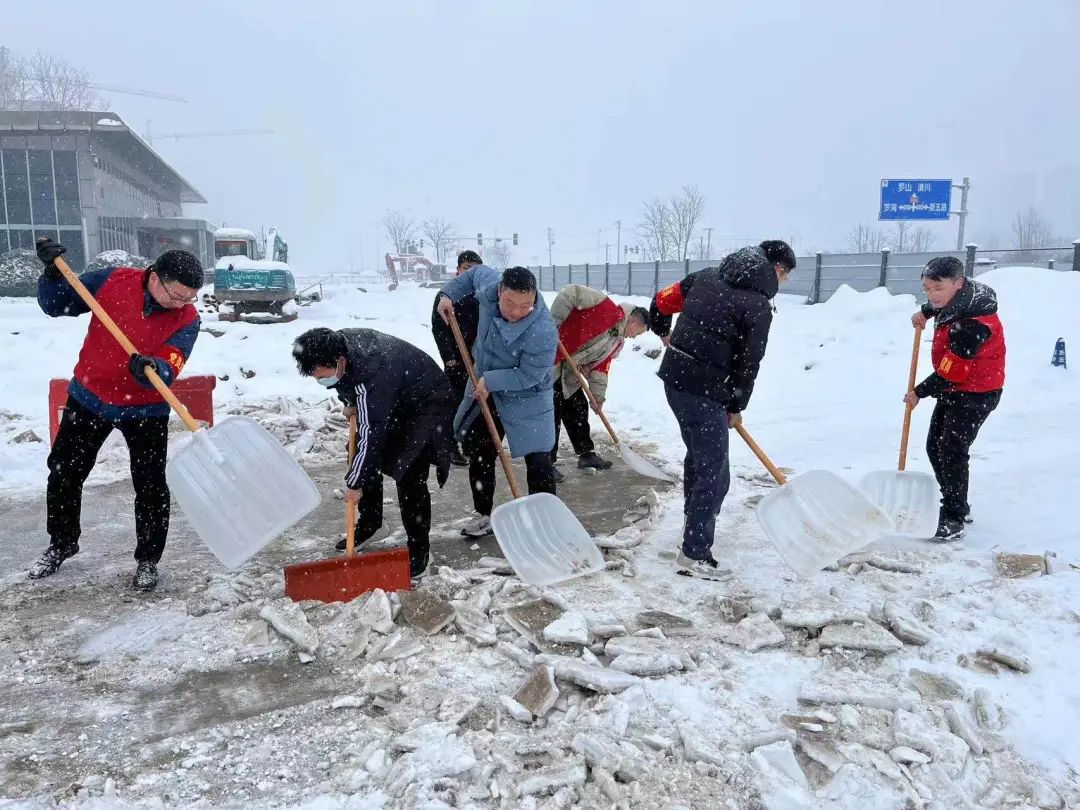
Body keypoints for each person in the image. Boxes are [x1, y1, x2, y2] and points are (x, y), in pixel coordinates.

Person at [29, 238, 203, 591]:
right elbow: (55, 304)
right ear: (154, 276)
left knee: (151, 485)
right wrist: (51, 273)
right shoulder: (112, 280)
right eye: (176, 294)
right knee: (64, 471)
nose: (181, 303)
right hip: (90, 396)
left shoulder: (187, 318)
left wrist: (153, 367)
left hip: (145, 408)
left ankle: (148, 560)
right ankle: (62, 542)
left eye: (189, 297)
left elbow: (174, 361)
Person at [651, 240, 795, 580]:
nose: (784, 281)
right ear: (777, 269)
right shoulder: (758, 305)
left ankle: (692, 531)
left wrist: (663, 331)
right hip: (704, 391)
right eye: (786, 275)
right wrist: (735, 405)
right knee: (715, 472)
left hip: (675, 380)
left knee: (701, 459)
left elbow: (661, 301)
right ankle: (695, 552)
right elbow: (749, 363)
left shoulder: (705, 276)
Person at [292, 328, 455, 579]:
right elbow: (349, 385)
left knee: (409, 471)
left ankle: (419, 549)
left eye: (323, 376)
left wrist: (355, 483)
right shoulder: (339, 349)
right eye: (316, 378)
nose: (321, 381)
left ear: (339, 361)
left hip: (425, 404)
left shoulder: (373, 370)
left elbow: (372, 432)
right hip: (395, 396)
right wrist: (350, 400)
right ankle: (372, 524)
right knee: (361, 455)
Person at [436, 265, 558, 538]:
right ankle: (484, 514)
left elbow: (529, 375)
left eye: (525, 306)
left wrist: (491, 381)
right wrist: (447, 295)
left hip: (528, 394)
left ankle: (546, 520)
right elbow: (471, 274)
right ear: (500, 291)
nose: (516, 312)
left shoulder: (543, 330)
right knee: (480, 449)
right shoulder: (489, 286)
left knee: (538, 457)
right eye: (510, 303)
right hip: (484, 383)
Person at [905, 257, 1005, 542]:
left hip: (977, 391)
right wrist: (926, 311)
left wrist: (919, 392)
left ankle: (954, 516)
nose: (932, 295)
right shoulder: (958, 299)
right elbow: (941, 305)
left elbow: (952, 373)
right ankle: (956, 499)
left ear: (958, 284)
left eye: (938, 289)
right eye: (926, 289)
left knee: (951, 450)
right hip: (956, 387)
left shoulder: (973, 325)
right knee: (933, 446)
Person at [548, 283, 651, 478]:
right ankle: (547, 463)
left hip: (569, 371)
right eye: (637, 332)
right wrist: (553, 323)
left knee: (578, 409)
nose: (634, 337)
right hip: (552, 360)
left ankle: (586, 454)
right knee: (552, 414)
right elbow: (570, 292)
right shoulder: (604, 306)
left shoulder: (616, 341)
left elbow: (600, 367)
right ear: (634, 321)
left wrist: (597, 396)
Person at [431, 250, 482, 467]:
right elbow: (439, 329)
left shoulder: (480, 294)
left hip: (476, 357)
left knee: (473, 401)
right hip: (455, 358)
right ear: (458, 269)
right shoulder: (447, 295)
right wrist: (449, 357)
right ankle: (449, 446)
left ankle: (469, 443)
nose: (470, 272)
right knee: (454, 402)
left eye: (475, 268)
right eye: (467, 267)